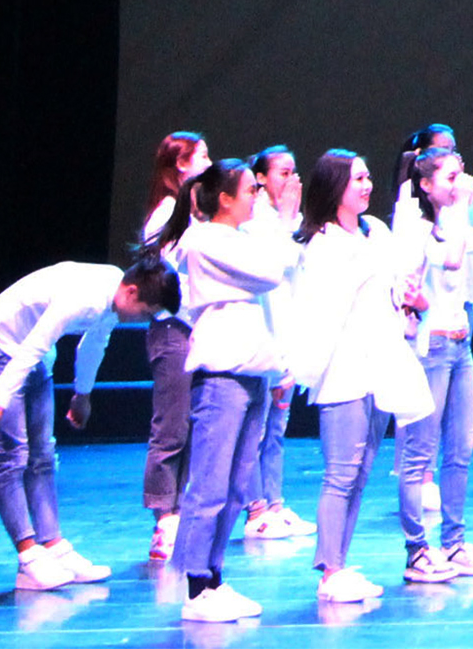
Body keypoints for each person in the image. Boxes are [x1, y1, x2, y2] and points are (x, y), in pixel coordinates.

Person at [0, 256, 163, 590]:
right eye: (144, 312)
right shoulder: (83, 299)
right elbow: (31, 346)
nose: (141, 320)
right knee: (12, 456)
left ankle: (52, 545)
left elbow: (94, 343)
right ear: (131, 292)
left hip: (36, 358)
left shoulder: (112, 293)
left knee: (43, 454)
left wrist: (82, 394)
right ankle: (28, 557)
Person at [287, 149, 431, 606]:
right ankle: (330, 570)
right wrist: (298, 371)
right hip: (343, 371)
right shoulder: (323, 246)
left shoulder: (376, 233)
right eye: (358, 180)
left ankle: (340, 562)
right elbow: (319, 314)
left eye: (369, 178)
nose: (367, 187)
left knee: (361, 473)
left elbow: (393, 286)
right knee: (340, 474)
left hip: (380, 368)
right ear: (335, 189)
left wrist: (408, 297)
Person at [168, 157, 300, 623]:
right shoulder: (204, 239)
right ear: (224, 199)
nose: (256, 198)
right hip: (222, 375)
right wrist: (283, 220)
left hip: (252, 370)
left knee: (237, 483)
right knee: (209, 483)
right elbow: (271, 272)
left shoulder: (242, 238)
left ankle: (214, 576)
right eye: (249, 190)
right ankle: (195, 586)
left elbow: (281, 269)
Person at [389, 143, 473, 582]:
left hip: (461, 346)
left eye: (461, 175)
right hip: (431, 347)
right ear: (426, 185)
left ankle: (454, 542)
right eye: (451, 177)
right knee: (420, 453)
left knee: (460, 450)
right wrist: (459, 208)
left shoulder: (455, 223)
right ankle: (417, 549)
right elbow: (453, 259)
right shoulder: (418, 228)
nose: (460, 185)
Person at [139, 130, 209, 558]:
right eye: (203, 156)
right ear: (180, 165)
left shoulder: (194, 214)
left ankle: (180, 510)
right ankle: (163, 519)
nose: (209, 163)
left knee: (192, 426)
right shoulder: (166, 214)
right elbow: (166, 280)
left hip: (194, 329)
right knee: (171, 429)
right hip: (173, 329)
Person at [238, 146, 312, 545]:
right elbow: (274, 267)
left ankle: (276, 504)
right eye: (283, 172)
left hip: (288, 333)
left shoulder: (292, 220)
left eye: (294, 172)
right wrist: (285, 221)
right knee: (257, 428)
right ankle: (256, 510)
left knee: (277, 429)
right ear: (261, 178)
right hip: (263, 334)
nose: (291, 180)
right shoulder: (253, 222)